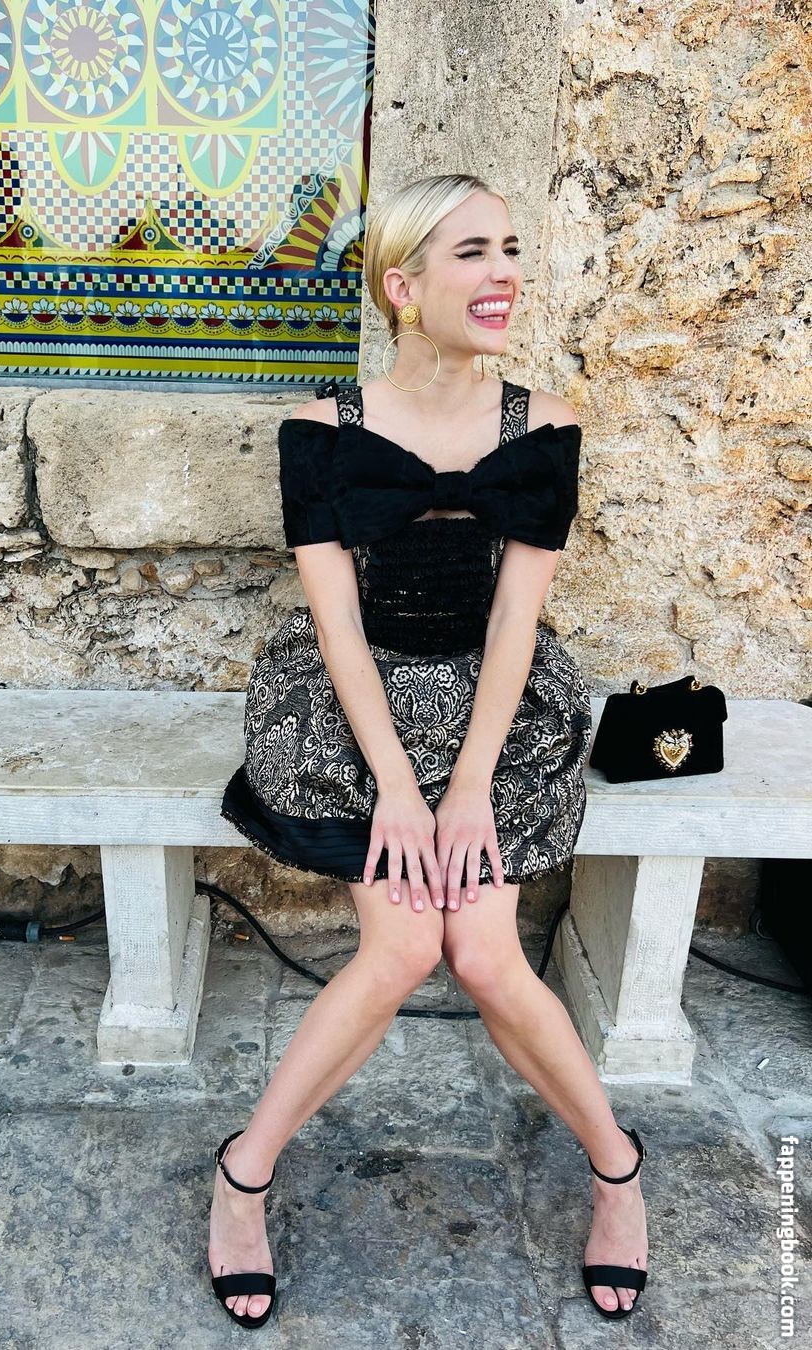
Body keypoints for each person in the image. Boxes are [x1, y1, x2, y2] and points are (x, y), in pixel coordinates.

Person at [211, 174, 649, 1329]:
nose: (504, 273)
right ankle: (244, 1176)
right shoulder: (321, 432)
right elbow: (336, 627)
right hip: (352, 708)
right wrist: (402, 791)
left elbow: (515, 622)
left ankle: (618, 1170)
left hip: (495, 710)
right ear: (403, 288)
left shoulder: (544, 427)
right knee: (406, 944)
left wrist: (468, 790)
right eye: (473, 253)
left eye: (510, 248)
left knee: (489, 959)